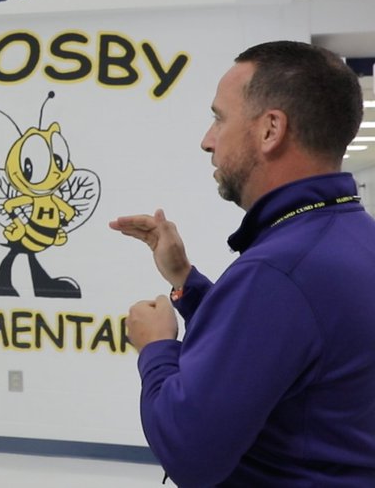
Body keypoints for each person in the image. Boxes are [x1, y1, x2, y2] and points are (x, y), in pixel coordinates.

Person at [110, 41, 375, 485]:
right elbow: (275, 346)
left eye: (219, 118)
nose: (207, 141)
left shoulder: (279, 271)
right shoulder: (348, 238)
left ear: (271, 129)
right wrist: (186, 281)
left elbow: (188, 452)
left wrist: (156, 348)